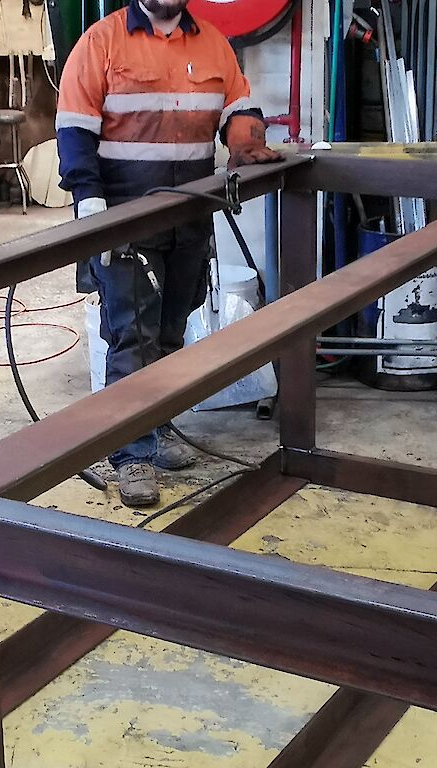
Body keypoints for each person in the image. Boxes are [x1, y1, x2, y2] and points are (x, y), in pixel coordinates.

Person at [55, 0, 281, 508]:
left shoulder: (212, 44)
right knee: (133, 336)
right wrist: (90, 204)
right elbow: (73, 128)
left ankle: (158, 428)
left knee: (172, 333)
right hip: (128, 218)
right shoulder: (101, 42)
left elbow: (236, 107)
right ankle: (130, 451)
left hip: (189, 218)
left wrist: (246, 145)